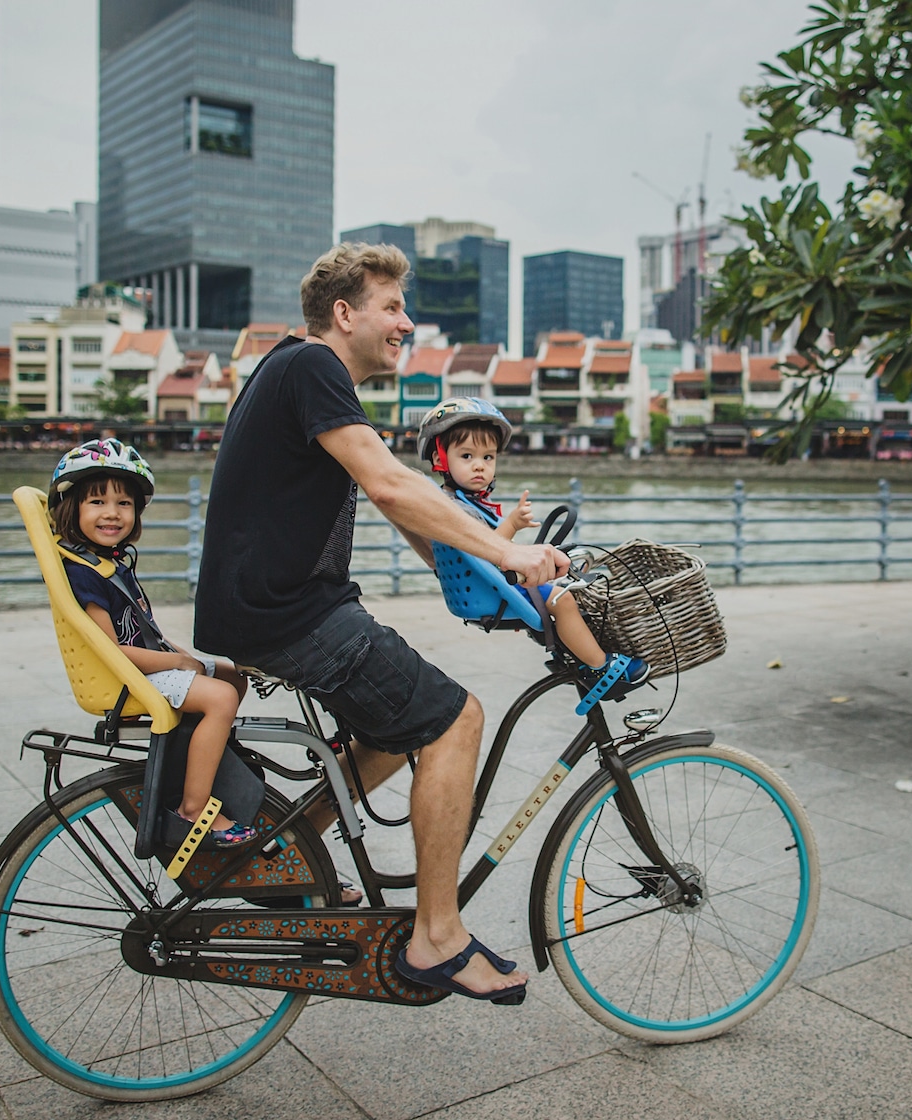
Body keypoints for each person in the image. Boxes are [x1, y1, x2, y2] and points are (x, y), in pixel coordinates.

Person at [194, 243, 569, 1004]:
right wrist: (507, 550)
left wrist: (476, 574)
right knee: (453, 719)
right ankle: (437, 937)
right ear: (345, 313)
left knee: (389, 731)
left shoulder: (292, 368)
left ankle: (287, 849)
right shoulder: (311, 368)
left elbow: (385, 495)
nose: (406, 322)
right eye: (391, 307)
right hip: (287, 613)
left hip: (275, 605)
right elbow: (392, 483)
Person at [50, 438, 255, 848]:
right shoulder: (85, 575)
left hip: (140, 666)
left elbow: (144, 632)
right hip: (123, 676)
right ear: (72, 509)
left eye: (124, 504)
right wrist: (177, 665)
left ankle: (204, 756)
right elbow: (112, 650)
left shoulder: (110, 564)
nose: (112, 513)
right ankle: (193, 809)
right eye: (97, 503)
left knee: (233, 676)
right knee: (220, 699)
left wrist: (181, 655)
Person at [416, 397, 650, 693]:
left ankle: (573, 651)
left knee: (563, 583)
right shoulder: (457, 510)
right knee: (562, 598)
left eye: (488, 458)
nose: (479, 466)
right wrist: (512, 524)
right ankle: (600, 667)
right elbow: (487, 551)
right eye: (466, 456)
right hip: (488, 592)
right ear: (441, 459)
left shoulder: (460, 503)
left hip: (488, 585)